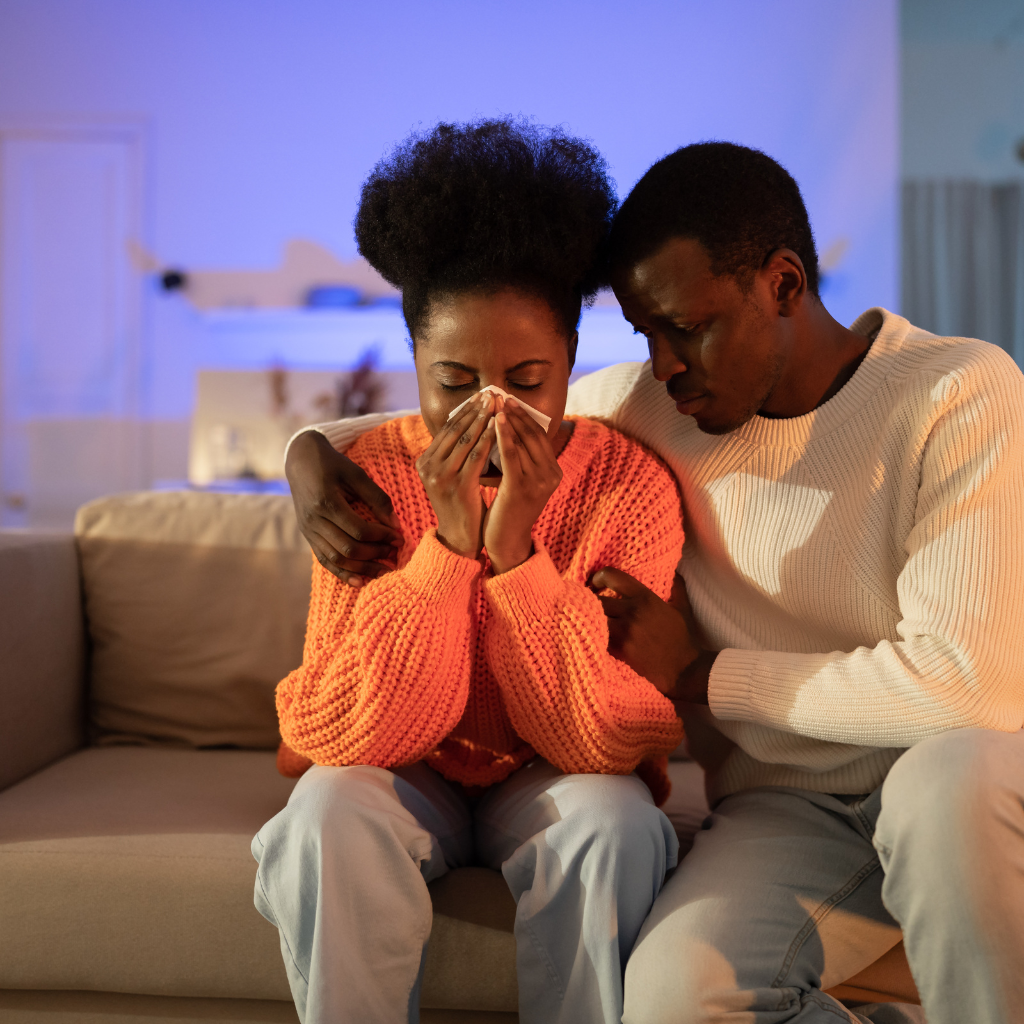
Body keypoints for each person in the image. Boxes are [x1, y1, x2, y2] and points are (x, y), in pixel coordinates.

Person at [285, 141, 1024, 1024]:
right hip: (786, 808)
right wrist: (308, 456)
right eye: (645, 335)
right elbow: (471, 414)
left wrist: (703, 675)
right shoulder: (662, 402)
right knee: (672, 1003)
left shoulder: (957, 392)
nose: (664, 363)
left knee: (947, 784)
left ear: (783, 284)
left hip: (952, 773)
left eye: (688, 327)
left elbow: (969, 687)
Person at [252, 118, 688, 1024]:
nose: (490, 413)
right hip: (407, 770)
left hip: (552, 772)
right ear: (414, 363)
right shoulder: (363, 478)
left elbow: (601, 741)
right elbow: (352, 733)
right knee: (326, 814)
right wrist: (448, 551)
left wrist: (517, 556)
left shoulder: (627, 487)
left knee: (617, 825)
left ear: (572, 364)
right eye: (454, 382)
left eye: (527, 380)